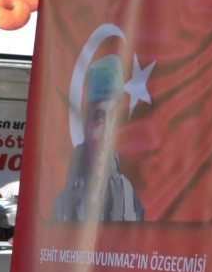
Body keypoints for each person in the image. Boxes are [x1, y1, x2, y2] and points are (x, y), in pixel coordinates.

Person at [52, 54, 145, 223]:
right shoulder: (63, 203)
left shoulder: (128, 197)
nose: (105, 135)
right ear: (86, 124)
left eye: (113, 118)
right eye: (99, 118)